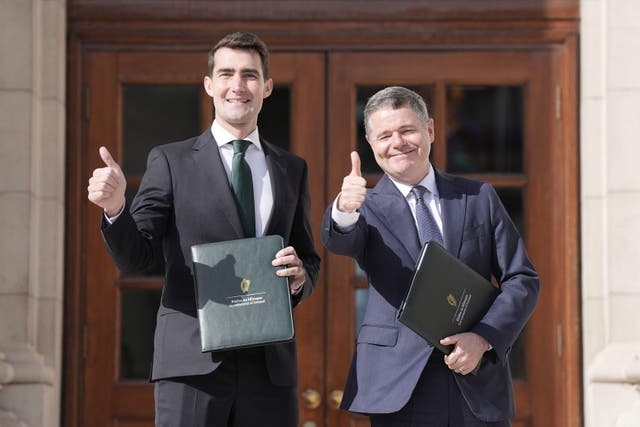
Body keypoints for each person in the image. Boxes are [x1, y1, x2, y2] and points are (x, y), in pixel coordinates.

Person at [87, 31, 320, 426]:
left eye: (249, 75)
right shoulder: (171, 161)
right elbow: (137, 257)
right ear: (209, 84)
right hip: (193, 364)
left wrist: (299, 277)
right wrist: (115, 209)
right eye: (226, 73)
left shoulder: (291, 169)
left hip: (269, 370)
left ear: (266, 87)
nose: (237, 85)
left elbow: (308, 258)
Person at [321, 86, 539, 426]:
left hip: (475, 377)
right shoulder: (365, 208)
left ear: (431, 131)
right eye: (384, 135)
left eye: (407, 130)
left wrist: (484, 337)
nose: (398, 142)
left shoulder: (478, 196)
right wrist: (344, 210)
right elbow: (340, 242)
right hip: (399, 387)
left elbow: (522, 279)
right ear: (370, 143)